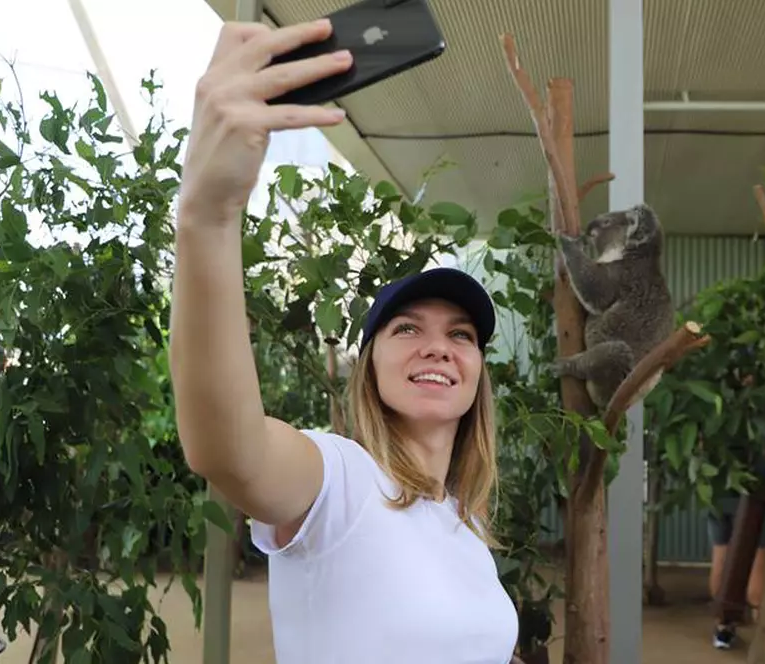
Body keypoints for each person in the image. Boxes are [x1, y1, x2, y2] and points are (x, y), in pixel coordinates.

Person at [169, 18, 520, 663]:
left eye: (461, 334)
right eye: (408, 328)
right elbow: (229, 449)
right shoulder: (339, 482)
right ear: (370, 367)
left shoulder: (465, 525)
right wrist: (208, 214)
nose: (439, 347)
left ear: (477, 371)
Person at [707, 489, 765, 661]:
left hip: (719, 493)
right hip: (754, 497)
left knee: (721, 558)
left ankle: (723, 627)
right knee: (758, 565)